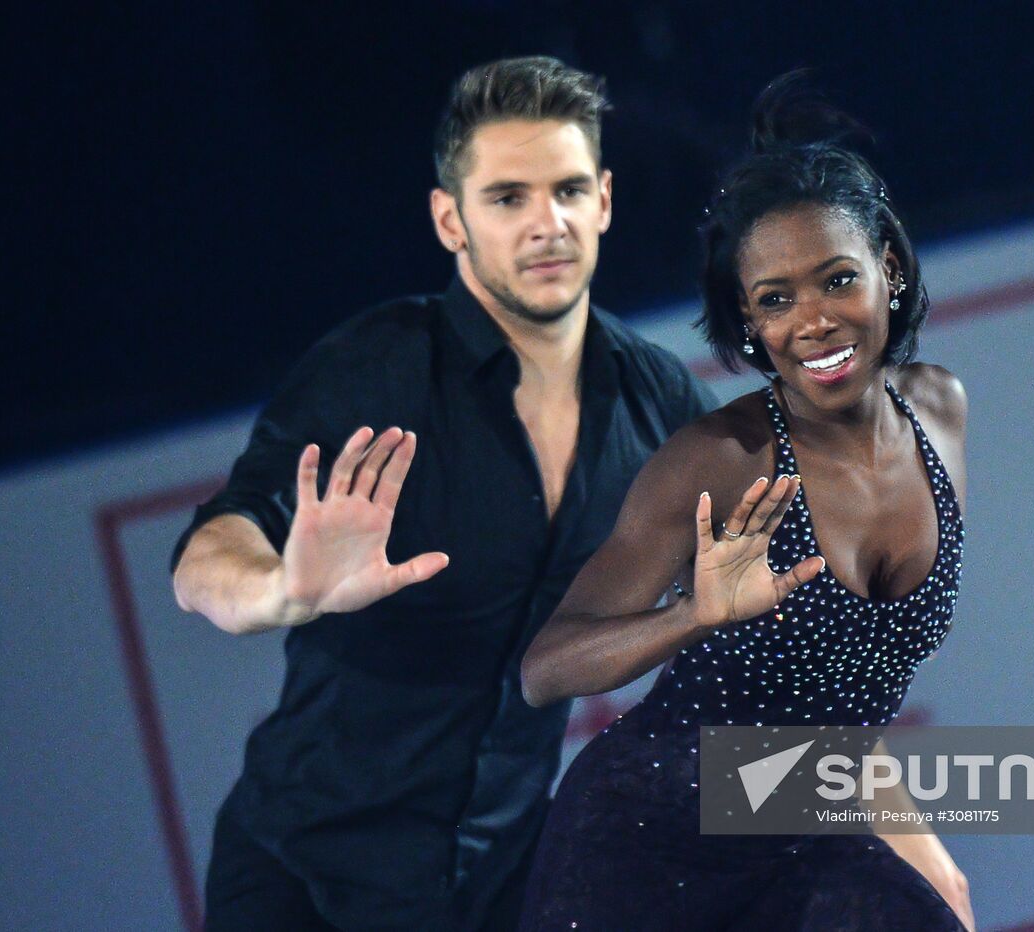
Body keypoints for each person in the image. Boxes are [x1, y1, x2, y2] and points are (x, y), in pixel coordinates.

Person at [170, 56, 716, 931]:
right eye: (508, 199)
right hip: (304, 881)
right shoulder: (379, 368)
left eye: (570, 191)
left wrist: (897, 830)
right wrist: (282, 590)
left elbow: (792, 638)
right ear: (449, 219)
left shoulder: (658, 407)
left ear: (605, 201)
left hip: (504, 883)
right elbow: (208, 555)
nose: (549, 224)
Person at [518, 76, 975, 930]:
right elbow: (548, 670)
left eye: (837, 280)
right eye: (776, 300)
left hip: (801, 837)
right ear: (749, 322)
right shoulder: (721, 460)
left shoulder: (941, 413)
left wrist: (925, 856)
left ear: (890, 269)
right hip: (645, 849)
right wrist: (692, 614)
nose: (814, 321)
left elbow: (848, 689)